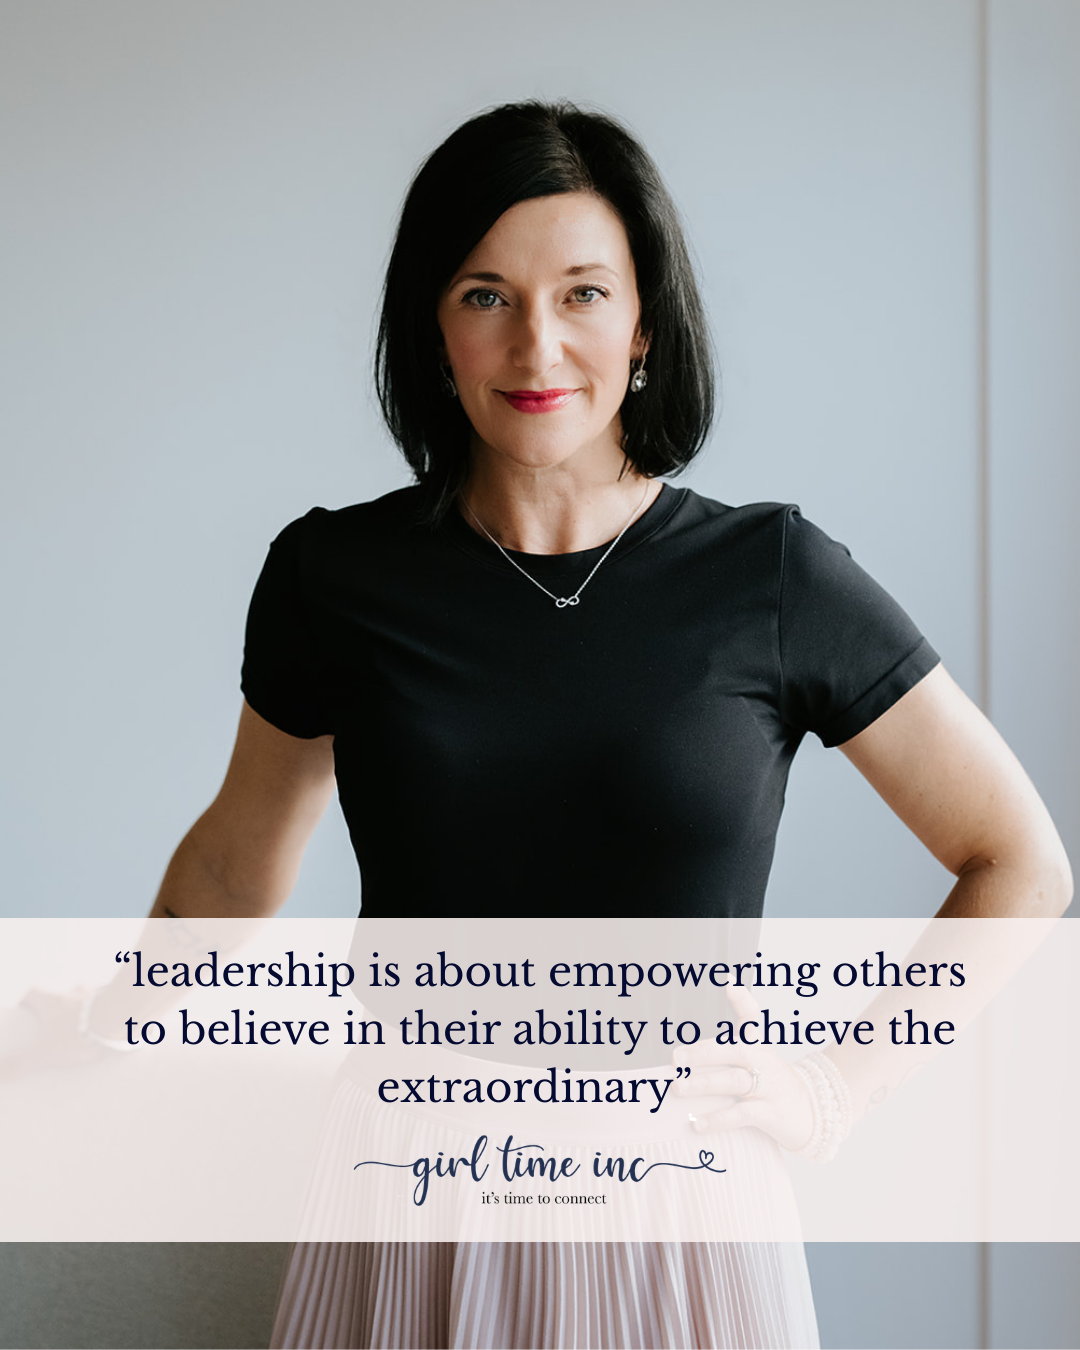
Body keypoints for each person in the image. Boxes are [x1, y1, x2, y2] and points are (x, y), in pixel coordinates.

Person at [90, 100, 1072, 1348]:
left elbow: (1022, 864)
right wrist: (93, 1021)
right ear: (432, 328)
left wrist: (831, 1090)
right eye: (486, 294)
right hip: (412, 1196)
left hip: (679, 1214)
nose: (537, 344)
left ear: (646, 322)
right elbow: (236, 863)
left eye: (585, 293)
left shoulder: (772, 575)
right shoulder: (334, 578)